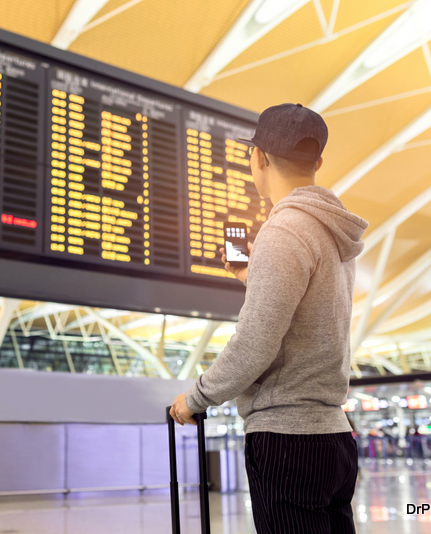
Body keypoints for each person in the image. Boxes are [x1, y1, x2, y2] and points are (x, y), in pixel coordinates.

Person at [169, 103, 368, 533]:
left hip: (287, 441)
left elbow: (256, 341)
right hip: (333, 437)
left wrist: (197, 397)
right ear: (317, 162)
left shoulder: (282, 231)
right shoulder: (333, 234)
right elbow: (309, 312)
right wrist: (250, 275)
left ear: (257, 157)